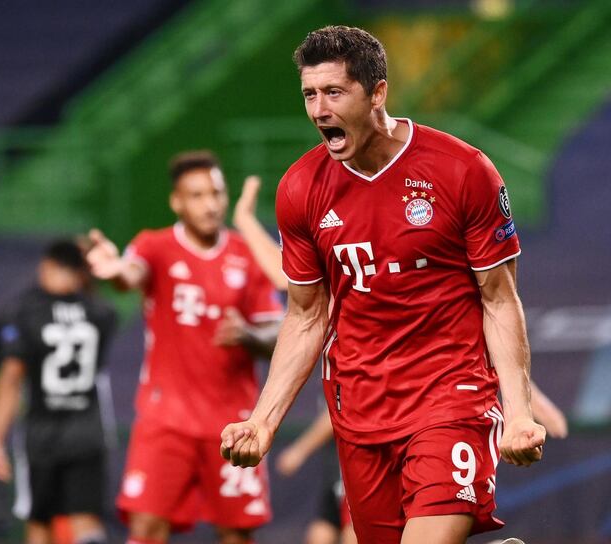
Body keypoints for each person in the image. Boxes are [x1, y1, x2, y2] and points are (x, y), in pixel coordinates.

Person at [221, 25, 547, 544]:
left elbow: (499, 298)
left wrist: (519, 414)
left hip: (451, 398)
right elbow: (306, 316)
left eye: (334, 92)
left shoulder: (462, 171)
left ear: (377, 93)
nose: (319, 109)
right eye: (310, 94)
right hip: (360, 410)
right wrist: (262, 421)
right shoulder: (300, 189)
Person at [235, 176, 568, 544]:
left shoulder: (451, 191)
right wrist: (246, 221)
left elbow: (494, 317)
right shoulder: (324, 239)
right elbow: (293, 294)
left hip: (445, 405)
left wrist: (522, 406)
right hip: (362, 419)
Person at [86, 150, 283, 544]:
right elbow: (131, 273)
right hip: (165, 419)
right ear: (176, 201)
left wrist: (247, 334)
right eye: (196, 195)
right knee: (145, 528)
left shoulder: (248, 255)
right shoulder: (154, 246)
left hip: (233, 421)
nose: (210, 205)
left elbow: (280, 334)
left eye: (216, 193)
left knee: (237, 533)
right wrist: (115, 272)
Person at [0, 240, 117, 544]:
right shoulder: (100, 312)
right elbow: (96, 301)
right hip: (88, 431)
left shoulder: (25, 310)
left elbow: (11, 376)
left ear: (45, 265)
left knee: (38, 519)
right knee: (86, 519)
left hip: (41, 433)